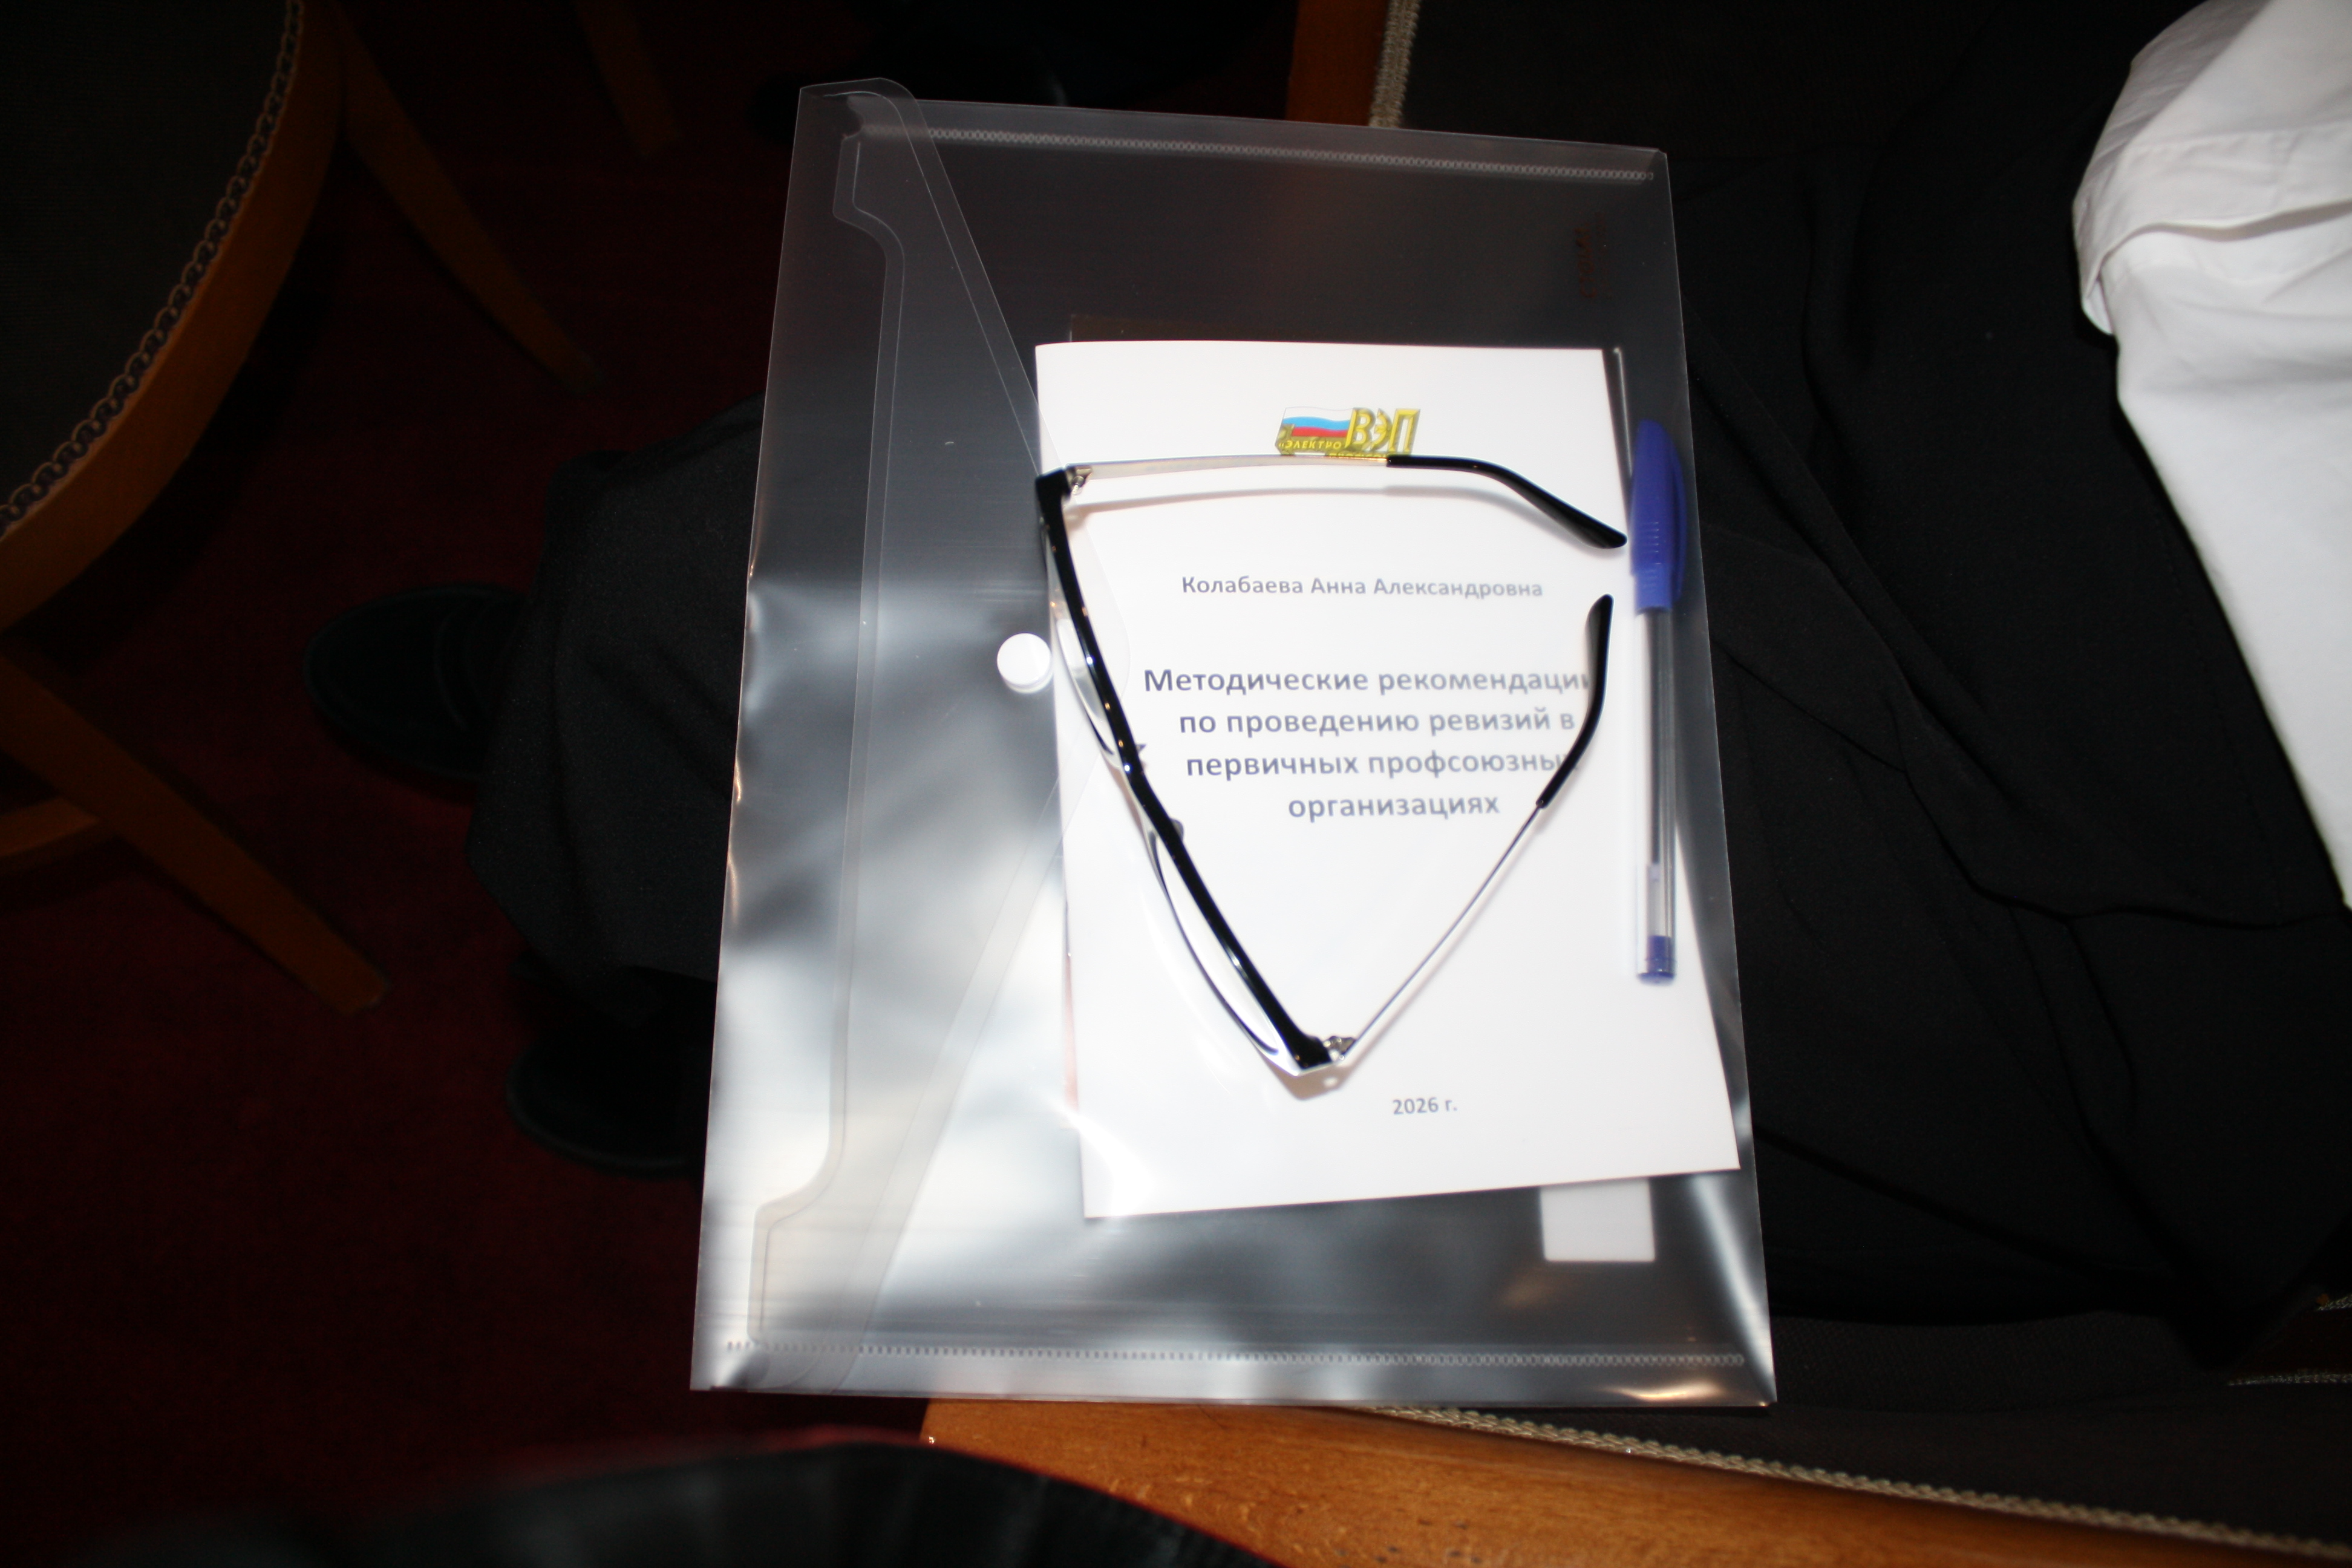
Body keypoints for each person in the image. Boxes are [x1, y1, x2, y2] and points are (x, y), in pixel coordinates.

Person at [306, 0, 2351, 1345]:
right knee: (853, 522)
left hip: (2166, 791)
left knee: (741, 608)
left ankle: (705, 942)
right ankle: (665, 825)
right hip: (1987, 252)